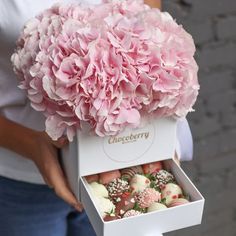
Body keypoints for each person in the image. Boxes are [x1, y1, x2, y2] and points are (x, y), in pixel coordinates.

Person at [0, 0, 192, 235]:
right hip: (21, 181)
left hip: (117, 170)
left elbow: (154, 44)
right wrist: (31, 145)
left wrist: (154, 139)